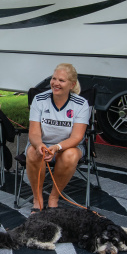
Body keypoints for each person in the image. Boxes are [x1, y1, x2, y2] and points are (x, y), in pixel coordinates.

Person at [24, 63, 90, 211]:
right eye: (54, 79)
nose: (55, 83)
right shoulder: (39, 100)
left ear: (72, 84)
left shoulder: (81, 104)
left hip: (69, 146)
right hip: (43, 143)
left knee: (70, 155)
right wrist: (40, 145)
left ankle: (53, 198)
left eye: (61, 80)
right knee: (34, 153)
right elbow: (34, 133)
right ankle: (38, 200)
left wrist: (57, 147)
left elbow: (77, 137)